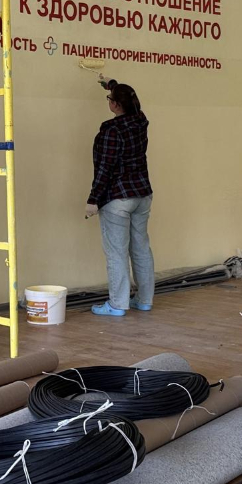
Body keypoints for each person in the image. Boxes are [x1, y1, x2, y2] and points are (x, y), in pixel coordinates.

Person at [85, 74, 155, 316]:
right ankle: (144, 300)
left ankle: (117, 304)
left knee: (117, 252)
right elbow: (128, 100)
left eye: (110, 99)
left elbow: (105, 168)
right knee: (141, 248)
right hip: (142, 195)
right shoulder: (140, 120)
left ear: (115, 104)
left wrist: (93, 199)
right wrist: (112, 85)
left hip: (117, 198)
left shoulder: (111, 130)